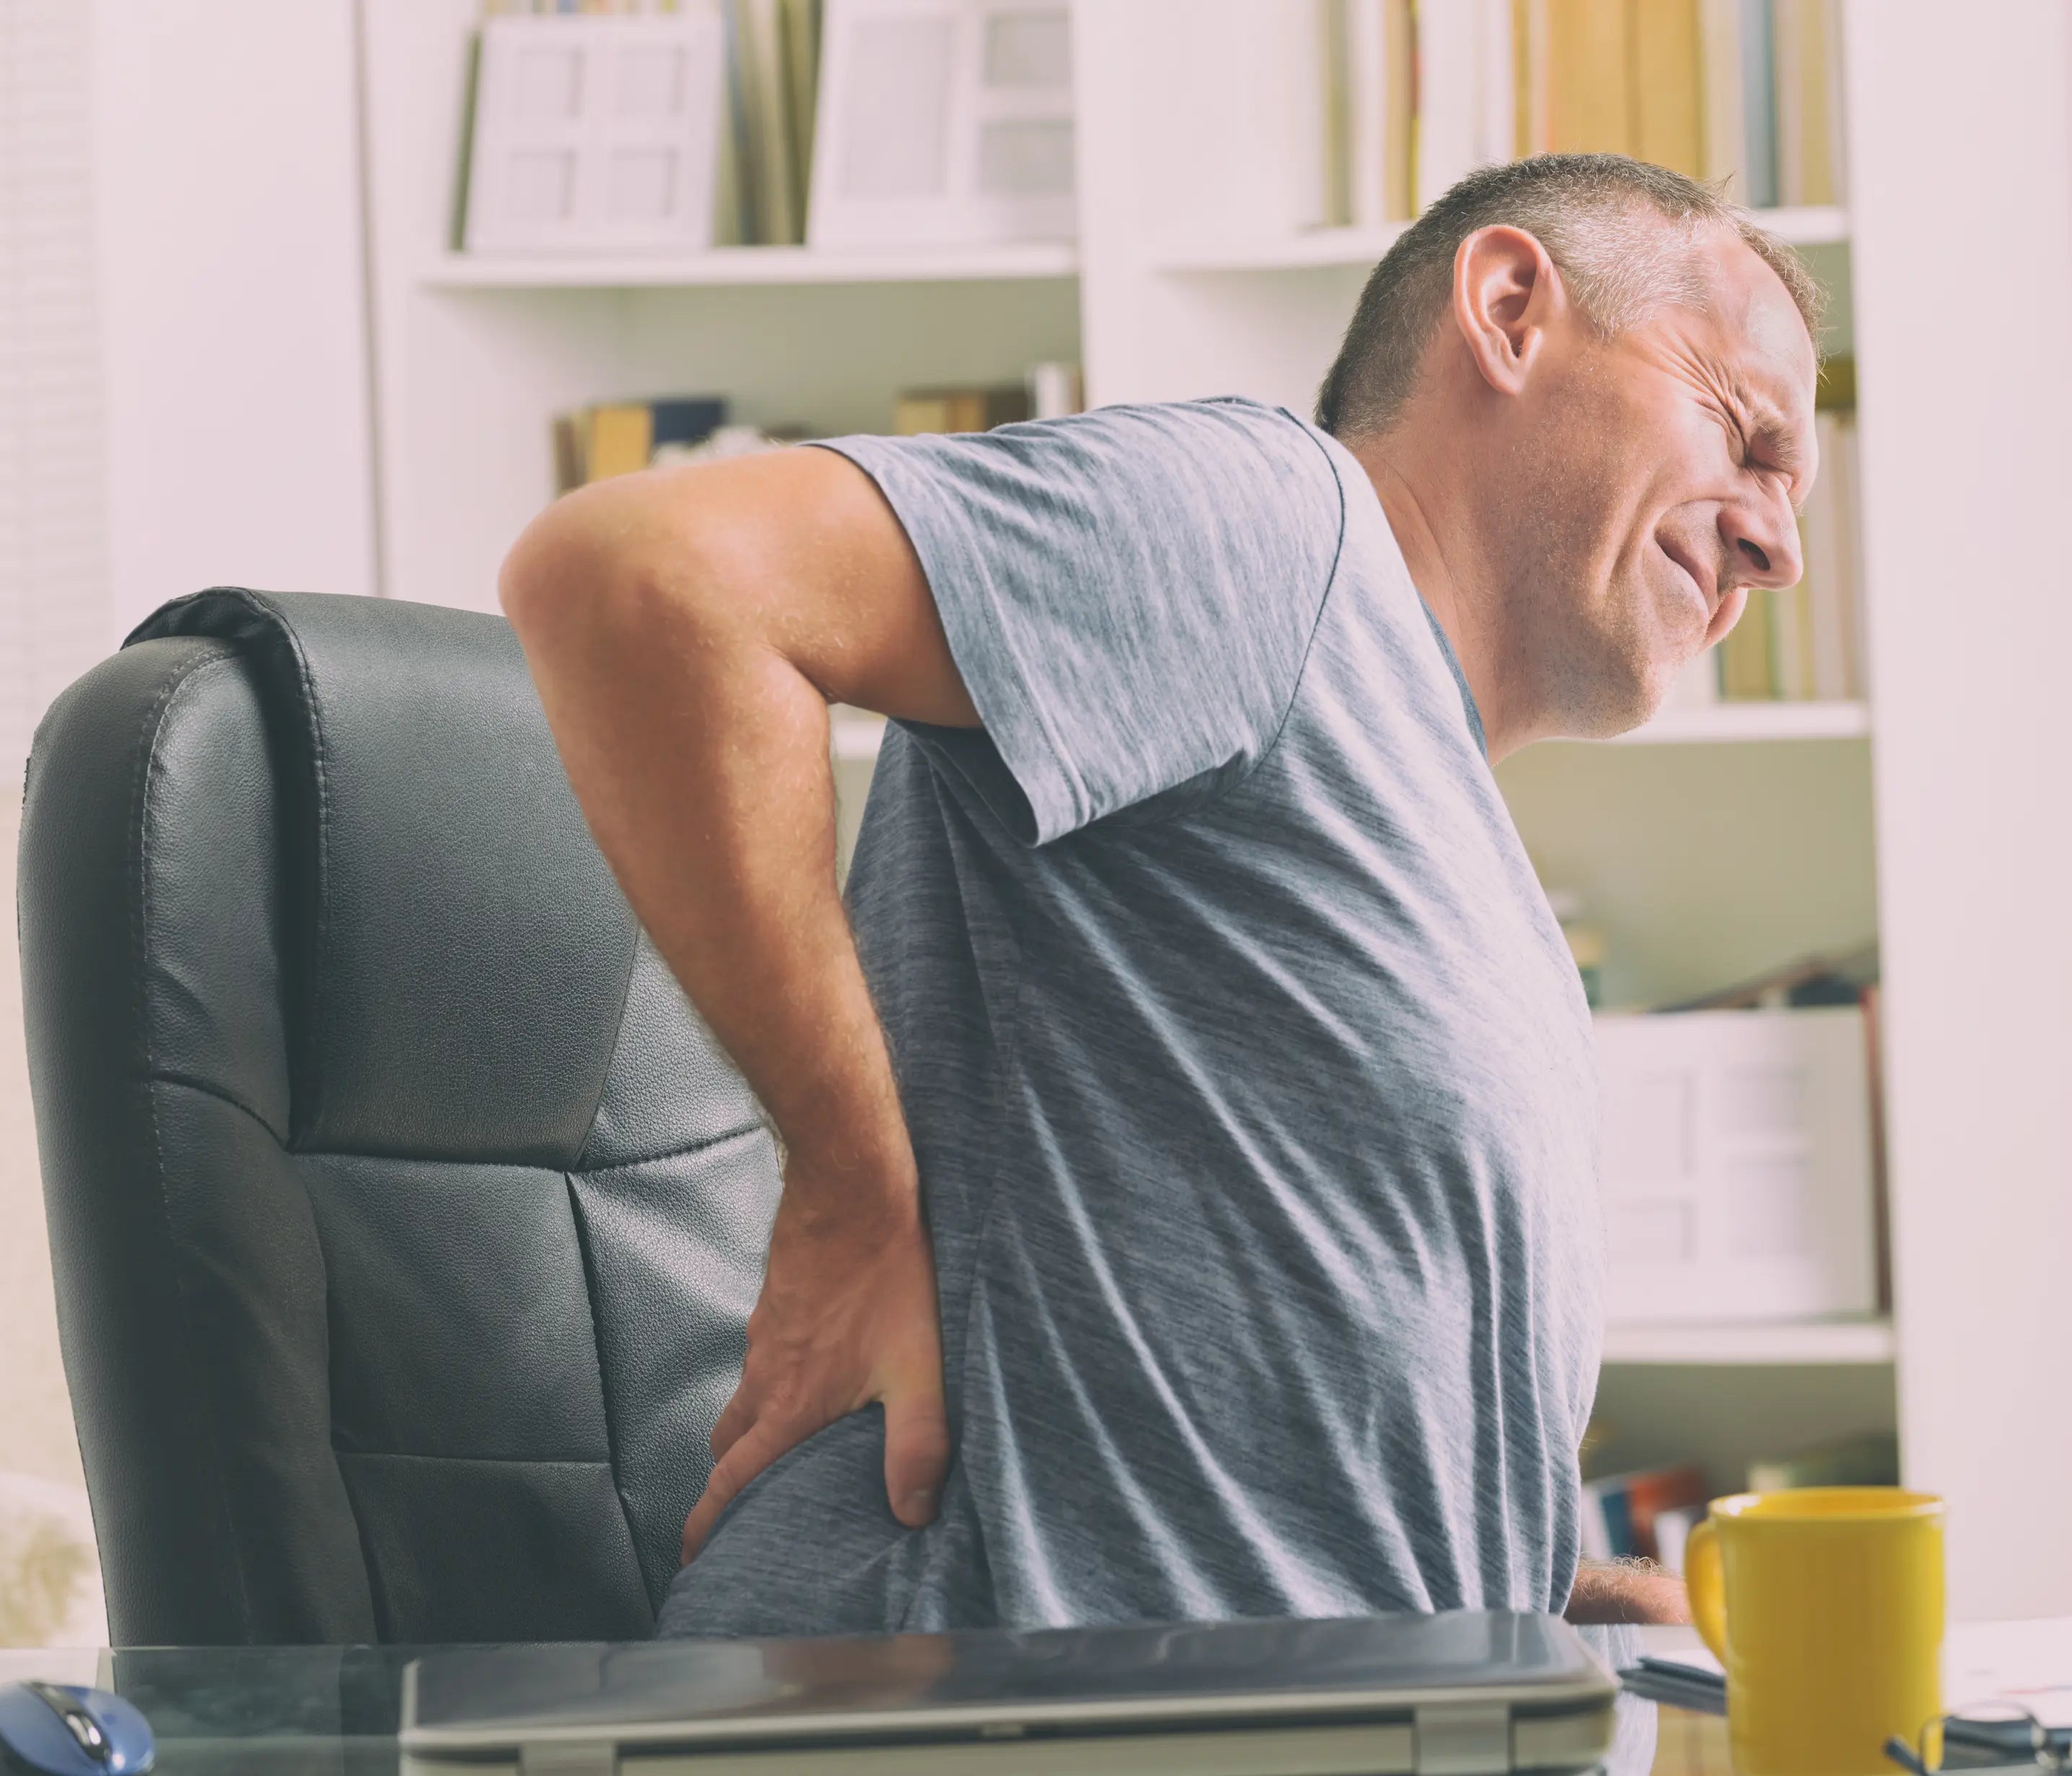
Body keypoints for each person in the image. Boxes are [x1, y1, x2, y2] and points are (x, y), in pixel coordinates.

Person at [500, 154, 1822, 1649]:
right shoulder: (1278, 531)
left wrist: (1541, 1601)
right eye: (1747, 433)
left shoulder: (1443, 818)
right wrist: (851, 1196)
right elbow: (637, 577)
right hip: (976, 1718)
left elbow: (1247, 1440)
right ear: (1511, 310)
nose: (1778, 544)